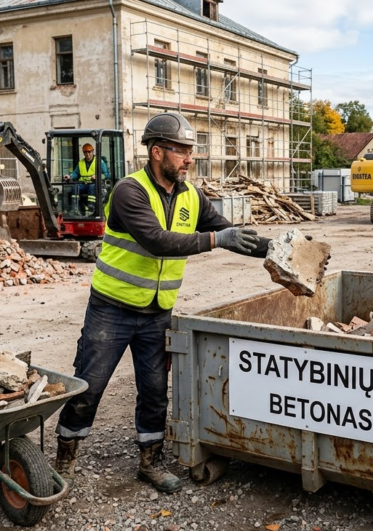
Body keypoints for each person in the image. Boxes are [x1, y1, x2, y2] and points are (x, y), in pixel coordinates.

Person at [54, 113, 269, 494]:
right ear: (157, 152)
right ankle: (64, 460)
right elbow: (157, 240)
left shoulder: (191, 195)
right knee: (89, 387)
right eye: (182, 152)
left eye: (191, 152)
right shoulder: (129, 191)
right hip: (112, 309)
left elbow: (224, 231)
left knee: (155, 391)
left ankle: (149, 464)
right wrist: (219, 241)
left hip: (157, 313)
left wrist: (280, 251)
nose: (189, 159)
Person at [64, 143, 110, 215]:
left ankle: (91, 207)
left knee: (92, 187)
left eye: (89, 152)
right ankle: (75, 208)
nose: (87, 154)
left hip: (94, 184)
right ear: (83, 153)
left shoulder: (99, 161)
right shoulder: (81, 162)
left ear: (92, 152)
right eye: (85, 152)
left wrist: (98, 176)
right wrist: (70, 176)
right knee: (75, 187)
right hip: (83, 184)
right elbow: (76, 173)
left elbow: (107, 175)